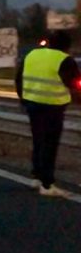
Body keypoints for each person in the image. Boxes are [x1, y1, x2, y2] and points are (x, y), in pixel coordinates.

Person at [16, 31, 80, 197]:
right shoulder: (64, 60)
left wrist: (23, 98)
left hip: (32, 103)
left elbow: (19, 78)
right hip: (53, 106)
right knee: (50, 144)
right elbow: (75, 83)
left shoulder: (32, 55)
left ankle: (36, 177)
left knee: (38, 140)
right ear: (67, 46)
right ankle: (47, 184)